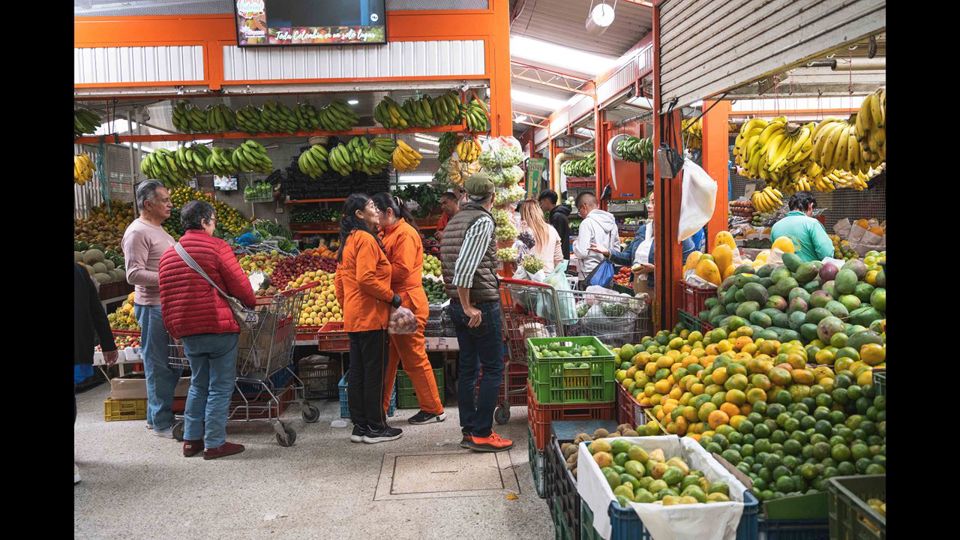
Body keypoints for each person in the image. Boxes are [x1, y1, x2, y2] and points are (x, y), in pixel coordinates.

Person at [158, 201, 257, 460]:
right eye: (212, 221)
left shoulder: (169, 255)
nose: (213, 226)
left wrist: (175, 331)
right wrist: (251, 301)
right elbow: (240, 286)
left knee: (198, 384)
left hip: (188, 332)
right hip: (217, 327)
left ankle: (191, 440)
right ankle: (214, 443)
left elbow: (165, 299)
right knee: (220, 386)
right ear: (204, 221)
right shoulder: (217, 247)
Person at [440, 172, 513, 452]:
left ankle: (469, 429)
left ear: (466, 195)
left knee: (469, 367)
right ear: (492, 198)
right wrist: (470, 304)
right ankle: (483, 432)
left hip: (458, 304)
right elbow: (465, 268)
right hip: (478, 305)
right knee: (493, 367)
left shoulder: (455, 219)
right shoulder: (481, 221)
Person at [334, 193, 405, 444]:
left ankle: (361, 426)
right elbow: (366, 279)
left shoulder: (349, 239)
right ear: (359, 215)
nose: (376, 209)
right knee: (374, 373)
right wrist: (392, 297)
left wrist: (348, 307)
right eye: (371, 206)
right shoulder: (365, 239)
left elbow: (340, 283)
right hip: (371, 315)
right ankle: (375, 427)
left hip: (356, 316)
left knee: (359, 373)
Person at [371, 193, 446, 425]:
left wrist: (372, 273)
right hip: (397, 302)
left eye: (376, 214)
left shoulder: (405, 234)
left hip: (406, 304)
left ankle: (433, 408)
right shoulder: (389, 232)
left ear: (389, 213)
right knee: (389, 359)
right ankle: (380, 410)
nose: (374, 219)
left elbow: (401, 271)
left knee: (413, 357)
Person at [122, 180, 179, 438]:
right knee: (158, 365)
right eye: (164, 200)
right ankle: (161, 423)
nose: (169, 204)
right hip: (152, 307)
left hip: (166, 306)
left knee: (172, 365)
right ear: (148, 204)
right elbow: (133, 274)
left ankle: (155, 416)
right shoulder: (137, 232)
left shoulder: (159, 230)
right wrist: (168, 277)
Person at [590, 193, 696, 291]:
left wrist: (655, 269)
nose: (649, 206)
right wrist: (607, 252)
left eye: (653, 202)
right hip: (638, 288)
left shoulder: (678, 234)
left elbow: (687, 267)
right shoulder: (643, 230)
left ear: (666, 206)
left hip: (662, 293)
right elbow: (628, 258)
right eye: (649, 202)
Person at [75, 263, 119, 484]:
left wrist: (108, 343)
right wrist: (108, 344)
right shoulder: (80, 271)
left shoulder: (80, 272)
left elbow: (94, 310)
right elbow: (96, 310)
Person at [771, 192, 835, 262]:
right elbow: (827, 253)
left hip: (782, 271)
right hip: (809, 271)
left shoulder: (776, 226)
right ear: (810, 206)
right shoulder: (812, 223)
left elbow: (774, 254)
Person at [573, 192, 620, 285]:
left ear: (584, 206)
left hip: (589, 274)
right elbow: (616, 251)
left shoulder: (587, 223)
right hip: (607, 274)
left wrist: (575, 244)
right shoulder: (611, 222)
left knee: (588, 299)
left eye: (579, 210)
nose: (580, 214)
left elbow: (582, 252)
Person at [519, 199, 563, 272]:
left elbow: (518, 257)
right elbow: (558, 259)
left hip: (526, 278)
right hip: (548, 278)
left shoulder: (522, 231)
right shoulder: (552, 230)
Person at [538, 190, 572, 260]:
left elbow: (555, 239)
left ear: (547, 201)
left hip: (560, 258)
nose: (540, 206)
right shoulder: (558, 214)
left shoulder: (557, 216)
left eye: (541, 203)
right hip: (561, 256)